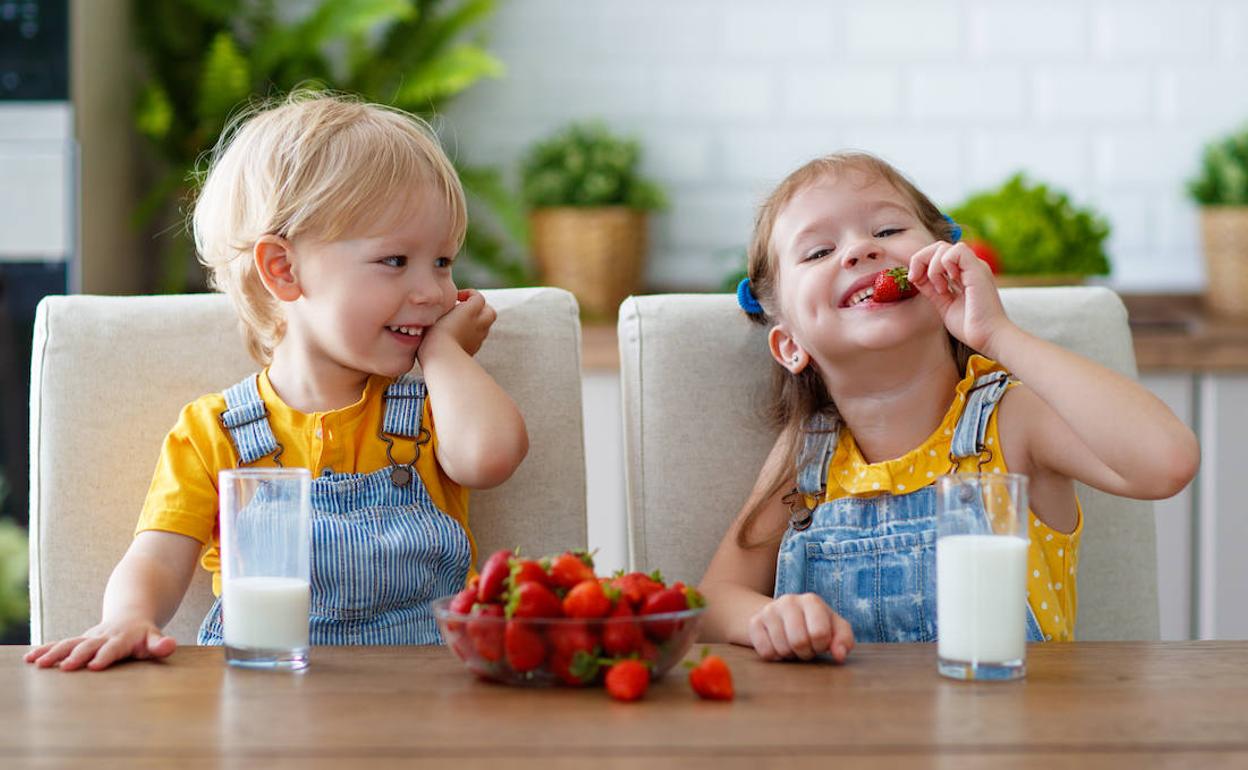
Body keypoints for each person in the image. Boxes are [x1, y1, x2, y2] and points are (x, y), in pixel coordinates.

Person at [26, 92, 528, 670]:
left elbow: (491, 457)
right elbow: (158, 558)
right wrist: (128, 618)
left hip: (418, 704)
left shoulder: (435, 403)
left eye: (442, 262)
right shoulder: (214, 431)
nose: (434, 291)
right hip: (266, 700)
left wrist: (443, 353)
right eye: (396, 261)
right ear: (283, 269)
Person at [698, 151, 1198, 662]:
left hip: (1019, 731)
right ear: (789, 346)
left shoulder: (1012, 421)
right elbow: (712, 602)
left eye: (889, 230)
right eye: (819, 251)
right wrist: (770, 619)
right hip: (849, 736)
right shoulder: (807, 459)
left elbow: (1168, 462)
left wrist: (997, 334)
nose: (860, 250)